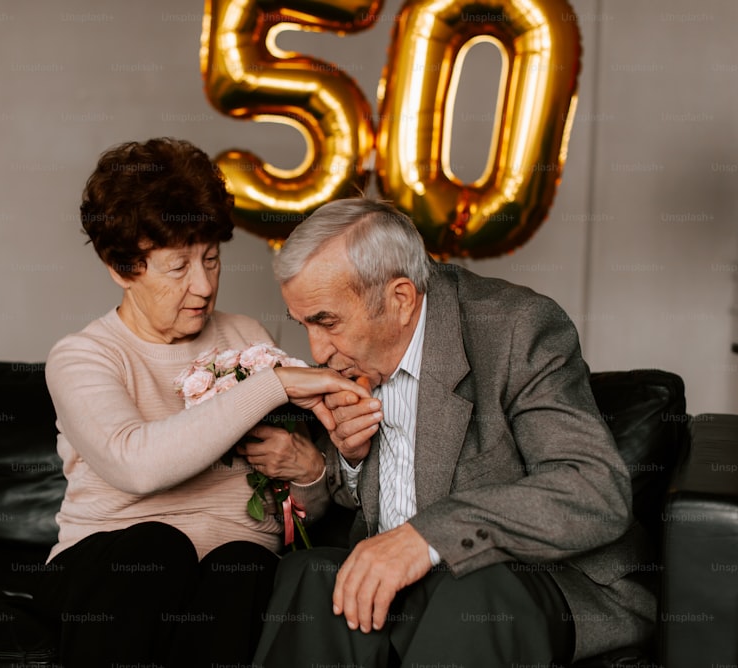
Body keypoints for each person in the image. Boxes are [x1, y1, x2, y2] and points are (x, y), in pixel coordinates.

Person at [253, 198, 656, 667]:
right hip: (415, 590)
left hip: (533, 581)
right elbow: (362, 501)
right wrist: (352, 459)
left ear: (400, 299)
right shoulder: (356, 358)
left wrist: (424, 537)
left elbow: (592, 489)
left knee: (476, 591)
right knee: (309, 575)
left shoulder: (514, 328)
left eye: (327, 322)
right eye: (303, 325)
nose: (316, 350)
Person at [37, 138, 369, 667]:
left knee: (244, 561)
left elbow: (304, 511)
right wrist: (273, 384)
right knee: (158, 549)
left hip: (231, 569)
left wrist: (309, 474)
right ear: (123, 268)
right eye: (177, 267)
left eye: (211, 260)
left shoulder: (245, 334)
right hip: (112, 571)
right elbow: (136, 463)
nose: (203, 285)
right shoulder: (83, 356)